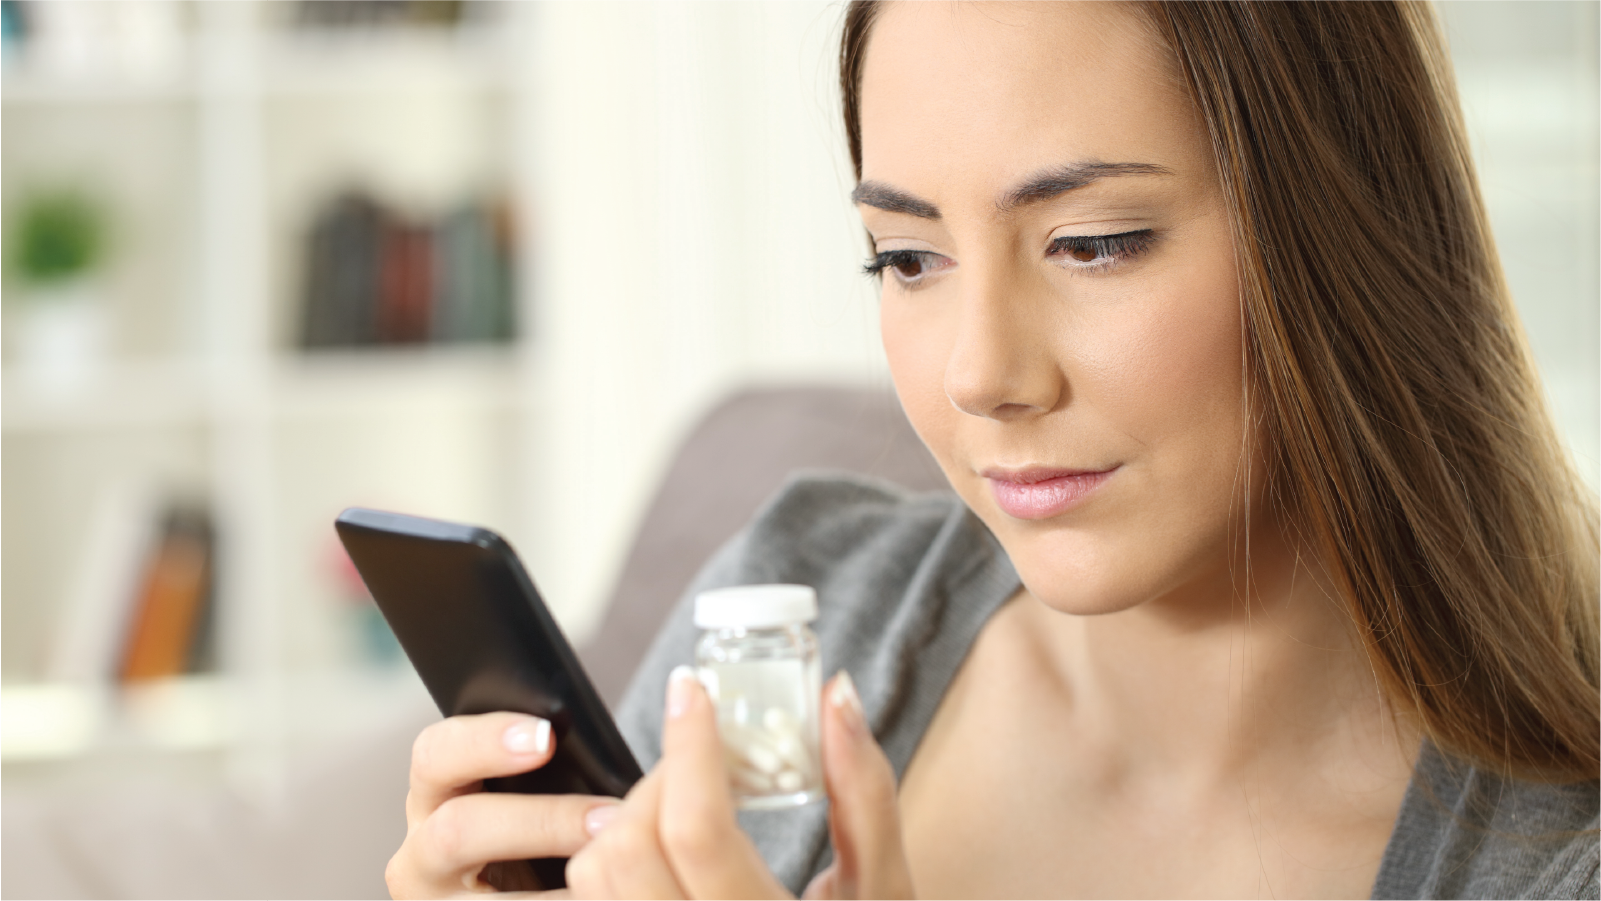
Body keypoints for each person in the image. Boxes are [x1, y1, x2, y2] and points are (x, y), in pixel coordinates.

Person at [384, 2, 1600, 898]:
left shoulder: (1553, 858)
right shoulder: (800, 614)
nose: (979, 375)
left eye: (1093, 243)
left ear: (1342, 236)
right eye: (906, 258)